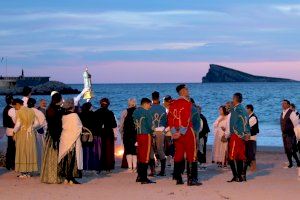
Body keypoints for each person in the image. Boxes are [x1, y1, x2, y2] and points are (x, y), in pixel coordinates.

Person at [168, 84, 202, 186]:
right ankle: (192, 179)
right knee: (192, 154)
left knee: (179, 154)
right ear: (182, 91)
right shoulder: (187, 103)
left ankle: (178, 178)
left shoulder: (173, 104)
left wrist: (174, 132)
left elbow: (170, 119)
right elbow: (186, 119)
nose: (188, 90)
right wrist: (181, 132)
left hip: (176, 133)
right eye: (186, 89)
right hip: (186, 132)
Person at [225, 93, 251, 183]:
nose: (232, 100)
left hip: (237, 135)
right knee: (239, 156)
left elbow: (245, 121)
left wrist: (244, 133)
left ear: (235, 99)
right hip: (237, 135)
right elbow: (229, 110)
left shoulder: (240, 109)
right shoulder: (236, 108)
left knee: (232, 157)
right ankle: (239, 176)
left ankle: (236, 176)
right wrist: (228, 106)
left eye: (232, 98)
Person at [58, 99, 83, 185]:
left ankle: (66, 177)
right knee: (73, 159)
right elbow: (79, 127)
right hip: (73, 139)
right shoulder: (75, 115)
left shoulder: (63, 116)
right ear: (72, 107)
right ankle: (71, 178)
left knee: (65, 158)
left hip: (65, 138)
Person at [41, 93, 64, 184]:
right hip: (56, 135)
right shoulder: (59, 110)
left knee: (50, 155)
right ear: (59, 100)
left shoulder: (49, 109)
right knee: (56, 155)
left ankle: (49, 176)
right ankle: (56, 176)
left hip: (51, 134)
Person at [13, 98, 39, 178]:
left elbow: (18, 124)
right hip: (31, 134)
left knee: (22, 151)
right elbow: (37, 123)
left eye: (14, 106)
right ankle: (28, 172)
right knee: (29, 151)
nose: (14, 108)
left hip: (22, 134)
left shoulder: (19, 112)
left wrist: (14, 132)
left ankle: (23, 172)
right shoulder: (31, 111)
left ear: (18, 104)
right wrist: (31, 127)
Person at [133, 98, 156, 184]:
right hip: (146, 135)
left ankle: (139, 176)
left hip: (138, 134)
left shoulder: (136, 112)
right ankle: (144, 178)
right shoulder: (147, 112)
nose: (150, 106)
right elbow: (150, 126)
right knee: (146, 156)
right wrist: (153, 132)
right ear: (145, 104)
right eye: (150, 104)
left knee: (140, 155)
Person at [95, 98, 118, 173]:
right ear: (108, 104)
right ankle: (108, 166)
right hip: (108, 133)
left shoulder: (96, 112)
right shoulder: (110, 113)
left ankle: (100, 166)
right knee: (109, 151)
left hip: (99, 133)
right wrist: (115, 135)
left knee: (100, 150)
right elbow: (114, 125)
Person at [79, 102, 101, 173]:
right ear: (89, 107)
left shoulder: (80, 114)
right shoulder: (93, 114)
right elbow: (97, 124)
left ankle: (84, 167)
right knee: (92, 151)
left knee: (84, 151)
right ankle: (92, 167)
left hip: (83, 134)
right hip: (91, 134)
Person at [149, 91, 167, 176]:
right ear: (159, 97)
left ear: (152, 98)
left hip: (151, 131)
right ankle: (163, 171)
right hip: (160, 131)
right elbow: (165, 121)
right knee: (160, 149)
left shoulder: (149, 108)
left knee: (151, 151)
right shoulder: (163, 108)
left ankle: (153, 171)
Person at [27, 98, 47, 171]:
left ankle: (32, 167)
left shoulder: (27, 111)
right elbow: (44, 123)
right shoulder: (38, 112)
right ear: (35, 104)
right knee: (39, 150)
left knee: (32, 150)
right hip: (39, 133)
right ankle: (40, 167)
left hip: (33, 132)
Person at [119, 98, 138, 172]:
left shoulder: (125, 111)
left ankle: (130, 168)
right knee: (134, 150)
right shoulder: (137, 111)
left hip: (127, 133)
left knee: (128, 150)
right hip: (135, 133)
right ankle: (135, 167)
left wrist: (121, 133)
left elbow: (121, 124)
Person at [280, 100, 300, 168]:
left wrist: (296, 134)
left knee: (292, 149)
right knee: (287, 149)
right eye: (282, 103)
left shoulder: (292, 113)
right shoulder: (282, 113)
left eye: (284, 103)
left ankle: (297, 163)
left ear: (288, 105)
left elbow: (296, 124)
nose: (283, 105)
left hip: (291, 134)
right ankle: (291, 163)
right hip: (284, 134)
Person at [3, 94, 16, 170]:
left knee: (10, 147)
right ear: (11, 100)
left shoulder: (5, 108)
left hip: (8, 130)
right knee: (13, 148)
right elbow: (14, 121)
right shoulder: (11, 109)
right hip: (12, 130)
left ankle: (8, 164)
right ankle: (12, 164)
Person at [244, 104, 259, 172]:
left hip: (251, 138)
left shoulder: (253, 117)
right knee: (247, 153)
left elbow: (247, 127)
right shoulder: (248, 117)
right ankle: (250, 166)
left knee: (251, 153)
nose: (245, 110)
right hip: (247, 137)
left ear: (249, 109)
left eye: (246, 109)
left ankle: (254, 167)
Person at [163, 95, 174, 167]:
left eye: (164, 101)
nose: (163, 102)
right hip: (166, 131)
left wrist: (165, 130)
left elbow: (172, 122)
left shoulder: (171, 109)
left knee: (171, 147)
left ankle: (171, 162)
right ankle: (169, 162)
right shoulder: (166, 109)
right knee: (167, 147)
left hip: (170, 131)